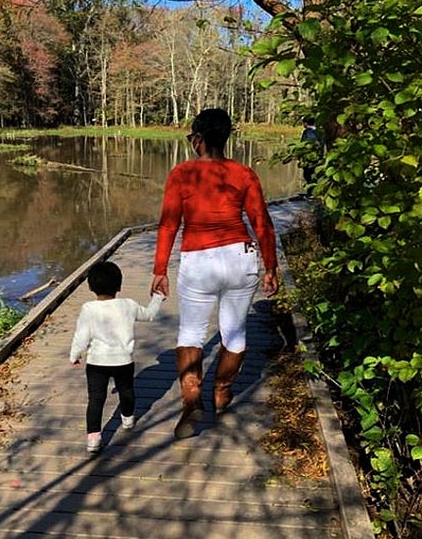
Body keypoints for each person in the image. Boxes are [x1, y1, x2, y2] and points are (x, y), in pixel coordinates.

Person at [150, 108, 280, 440]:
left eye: (191, 138)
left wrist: (160, 269)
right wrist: (271, 266)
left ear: (198, 139)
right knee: (234, 334)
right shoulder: (244, 173)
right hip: (240, 259)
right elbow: (262, 223)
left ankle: (192, 400)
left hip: (198, 260)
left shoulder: (182, 174)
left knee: (191, 333)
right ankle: (221, 392)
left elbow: (168, 225)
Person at [70, 260, 165, 453]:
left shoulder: (88, 309)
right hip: (123, 361)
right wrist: (158, 298)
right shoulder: (128, 305)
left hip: (97, 362)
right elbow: (149, 315)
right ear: (119, 286)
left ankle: (93, 439)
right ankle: (128, 420)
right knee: (126, 390)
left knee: (96, 399)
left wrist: (75, 354)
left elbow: (81, 336)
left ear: (90, 287)